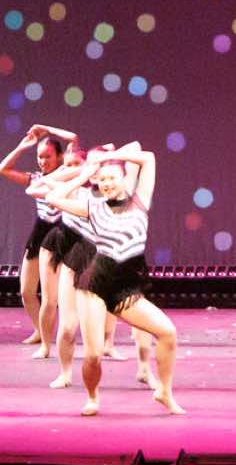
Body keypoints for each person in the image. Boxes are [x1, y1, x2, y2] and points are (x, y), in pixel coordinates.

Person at [41, 144, 184, 416]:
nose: (107, 183)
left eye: (112, 178)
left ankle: (164, 391)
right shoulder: (92, 207)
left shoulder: (139, 201)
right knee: (93, 354)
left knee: (168, 332)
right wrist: (85, 175)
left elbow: (148, 157)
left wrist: (109, 156)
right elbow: (54, 197)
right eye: (103, 180)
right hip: (95, 285)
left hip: (125, 287)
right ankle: (92, 397)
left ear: (124, 179)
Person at [0, 124, 78, 354]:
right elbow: (2, 169)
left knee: (56, 295)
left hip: (62, 232)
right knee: (26, 290)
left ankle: (58, 337)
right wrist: (23, 146)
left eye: (47, 156)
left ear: (59, 156)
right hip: (40, 232)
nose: (42, 161)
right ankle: (40, 330)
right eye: (39, 157)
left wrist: (46, 128)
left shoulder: (68, 174)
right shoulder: (36, 178)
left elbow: (73, 137)